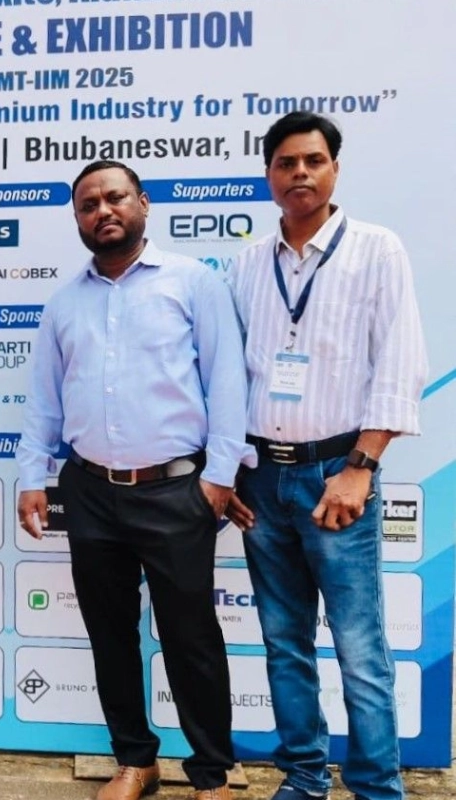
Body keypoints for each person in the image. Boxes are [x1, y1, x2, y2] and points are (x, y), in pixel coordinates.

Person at [16, 160, 253, 800]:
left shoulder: (193, 282)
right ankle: (135, 761)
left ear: (143, 203)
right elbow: (44, 400)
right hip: (90, 490)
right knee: (110, 633)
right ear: (77, 218)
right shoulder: (65, 302)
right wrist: (33, 476)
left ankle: (211, 775)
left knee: (191, 637)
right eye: (88, 204)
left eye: (115, 197)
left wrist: (219, 477)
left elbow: (227, 381)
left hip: (177, 490)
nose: (103, 211)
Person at [226, 112, 427, 800]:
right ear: (269, 175)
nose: (300, 173)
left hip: (336, 476)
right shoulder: (247, 263)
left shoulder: (376, 250)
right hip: (263, 479)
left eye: (313, 160)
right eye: (286, 163)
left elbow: (400, 364)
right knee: (284, 644)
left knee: (359, 647)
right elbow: (232, 375)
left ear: (334, 169)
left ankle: (376, 787)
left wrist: (359, 469)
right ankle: (305, 778)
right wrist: (233, 469)